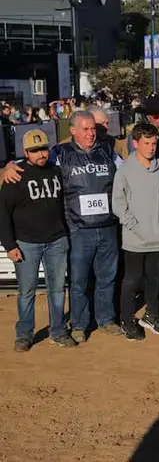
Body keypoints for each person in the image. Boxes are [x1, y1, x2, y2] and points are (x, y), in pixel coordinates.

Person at [2, 111, 125, 342]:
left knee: (106, 277)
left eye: (93, 129)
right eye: (86, 129)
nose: (91, 133)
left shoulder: (108, 150)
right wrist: (9, 166)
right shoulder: (61, 154)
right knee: (77, 281)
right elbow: (34, 162)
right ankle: (78, 324)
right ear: (73, 130)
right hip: (78, 229)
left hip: (107, 226)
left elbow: (128, 170)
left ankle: (106, 319)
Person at [0, 129, 74, 351]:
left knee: (58, 289)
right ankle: (24, 334)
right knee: (27, 291)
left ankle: (58, 331)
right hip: (26, 244)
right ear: (25, 152)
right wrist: (10, 245)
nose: (40, 154)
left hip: (57, 241)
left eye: (43, 149)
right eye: (34, 151)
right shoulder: (15, 176)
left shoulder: (56, 171)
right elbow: (2, 213)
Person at [112, 123, 159, 340]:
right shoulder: (125, 171)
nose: (151, 147)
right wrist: (136, 227)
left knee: (154, 279)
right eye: (147, 143)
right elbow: (119, 205)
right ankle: (126, 320)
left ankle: (152, 315)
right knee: (132, 280)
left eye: (154, 143)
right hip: (135, 240)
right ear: (135, 143)